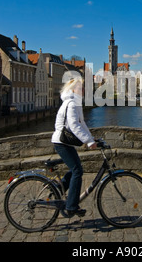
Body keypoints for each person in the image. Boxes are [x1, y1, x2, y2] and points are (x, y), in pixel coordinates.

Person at [51, 77, 97, 218]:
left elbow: (82, 124)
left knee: (75, 168)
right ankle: (71, 206)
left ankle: (58, 189)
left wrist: (92, 139)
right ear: (72, 90)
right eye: (80, 88)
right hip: (61, 142)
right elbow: (74, 126)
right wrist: (88, 142)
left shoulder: (75, 104)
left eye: (82, 87)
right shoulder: (71, 103)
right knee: (77, 171)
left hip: (65, 142)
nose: (82, 90)